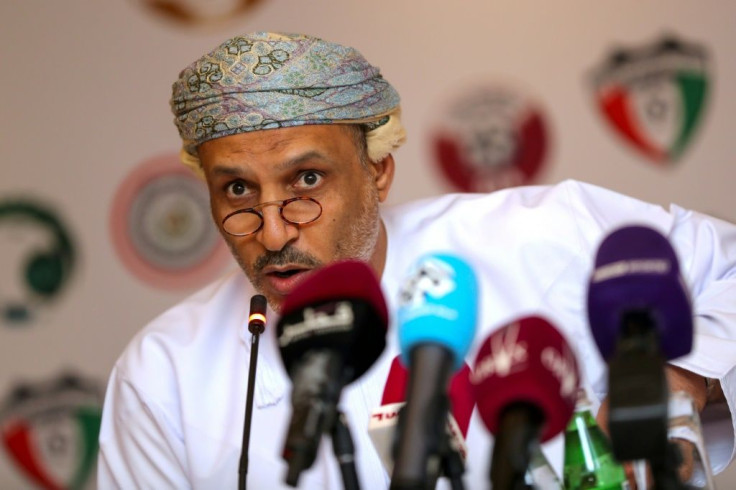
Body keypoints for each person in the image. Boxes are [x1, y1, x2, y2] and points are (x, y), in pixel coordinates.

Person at [98, 31, 735, 489]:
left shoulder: (542, 234)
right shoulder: (162, 374)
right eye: (237, 190)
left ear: (377, 171)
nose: (271, 232)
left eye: (307, 182)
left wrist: (677, 380)